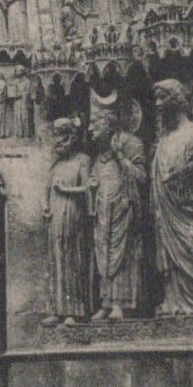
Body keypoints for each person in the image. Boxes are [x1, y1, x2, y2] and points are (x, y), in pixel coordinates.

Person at [151, 80, 193, 315]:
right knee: (168, 254)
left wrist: (180, 173)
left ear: (176, 100)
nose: (158, 104)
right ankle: (172, 302)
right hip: (166, 208)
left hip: (188, 208)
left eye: (162, 98)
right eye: (156, 99)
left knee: (191, 247)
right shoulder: (164, 139)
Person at [89, 98, 146, 321]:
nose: (90, 129)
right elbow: (95, 181)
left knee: (123, 256)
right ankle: (106, 301)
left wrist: (120, 156)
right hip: (103, 212)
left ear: (108, 125)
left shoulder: (132, 144)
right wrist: (92, 188)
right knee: (103, 253)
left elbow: (141, 176)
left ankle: (121, 303)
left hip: (124, 210)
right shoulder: (99, 157)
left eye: (95, 124)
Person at [43, 118, 92, 326]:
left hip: (73, 213)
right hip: (55, 214)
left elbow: (88, 188)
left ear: (71, 136)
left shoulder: (82, 160)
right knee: (55, 260)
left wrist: (67, 190)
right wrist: (45, 206)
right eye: (55, 135)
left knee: (72, 259)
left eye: (61, 135)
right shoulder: (57, 164)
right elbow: (46, 189)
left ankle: (73, 311)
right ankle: (56, 310)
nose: (57, 140)